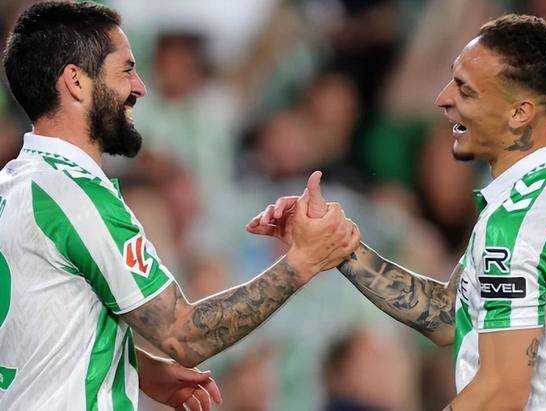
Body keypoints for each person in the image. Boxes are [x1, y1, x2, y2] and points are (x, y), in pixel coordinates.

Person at [0, 2, 359, 410]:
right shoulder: (77, 198)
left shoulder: (14, 187)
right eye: (125, 70)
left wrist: (134, 365)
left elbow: (36, 321)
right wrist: (303, 261)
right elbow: (185, 335)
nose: (140, 87)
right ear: (77, 82)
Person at [248, 14, 546, 410]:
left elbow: (502, 391)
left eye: (466, 90)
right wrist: (342, 248)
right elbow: (451, 315)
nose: (443, 98)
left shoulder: (520, 223)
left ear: (519, 113)